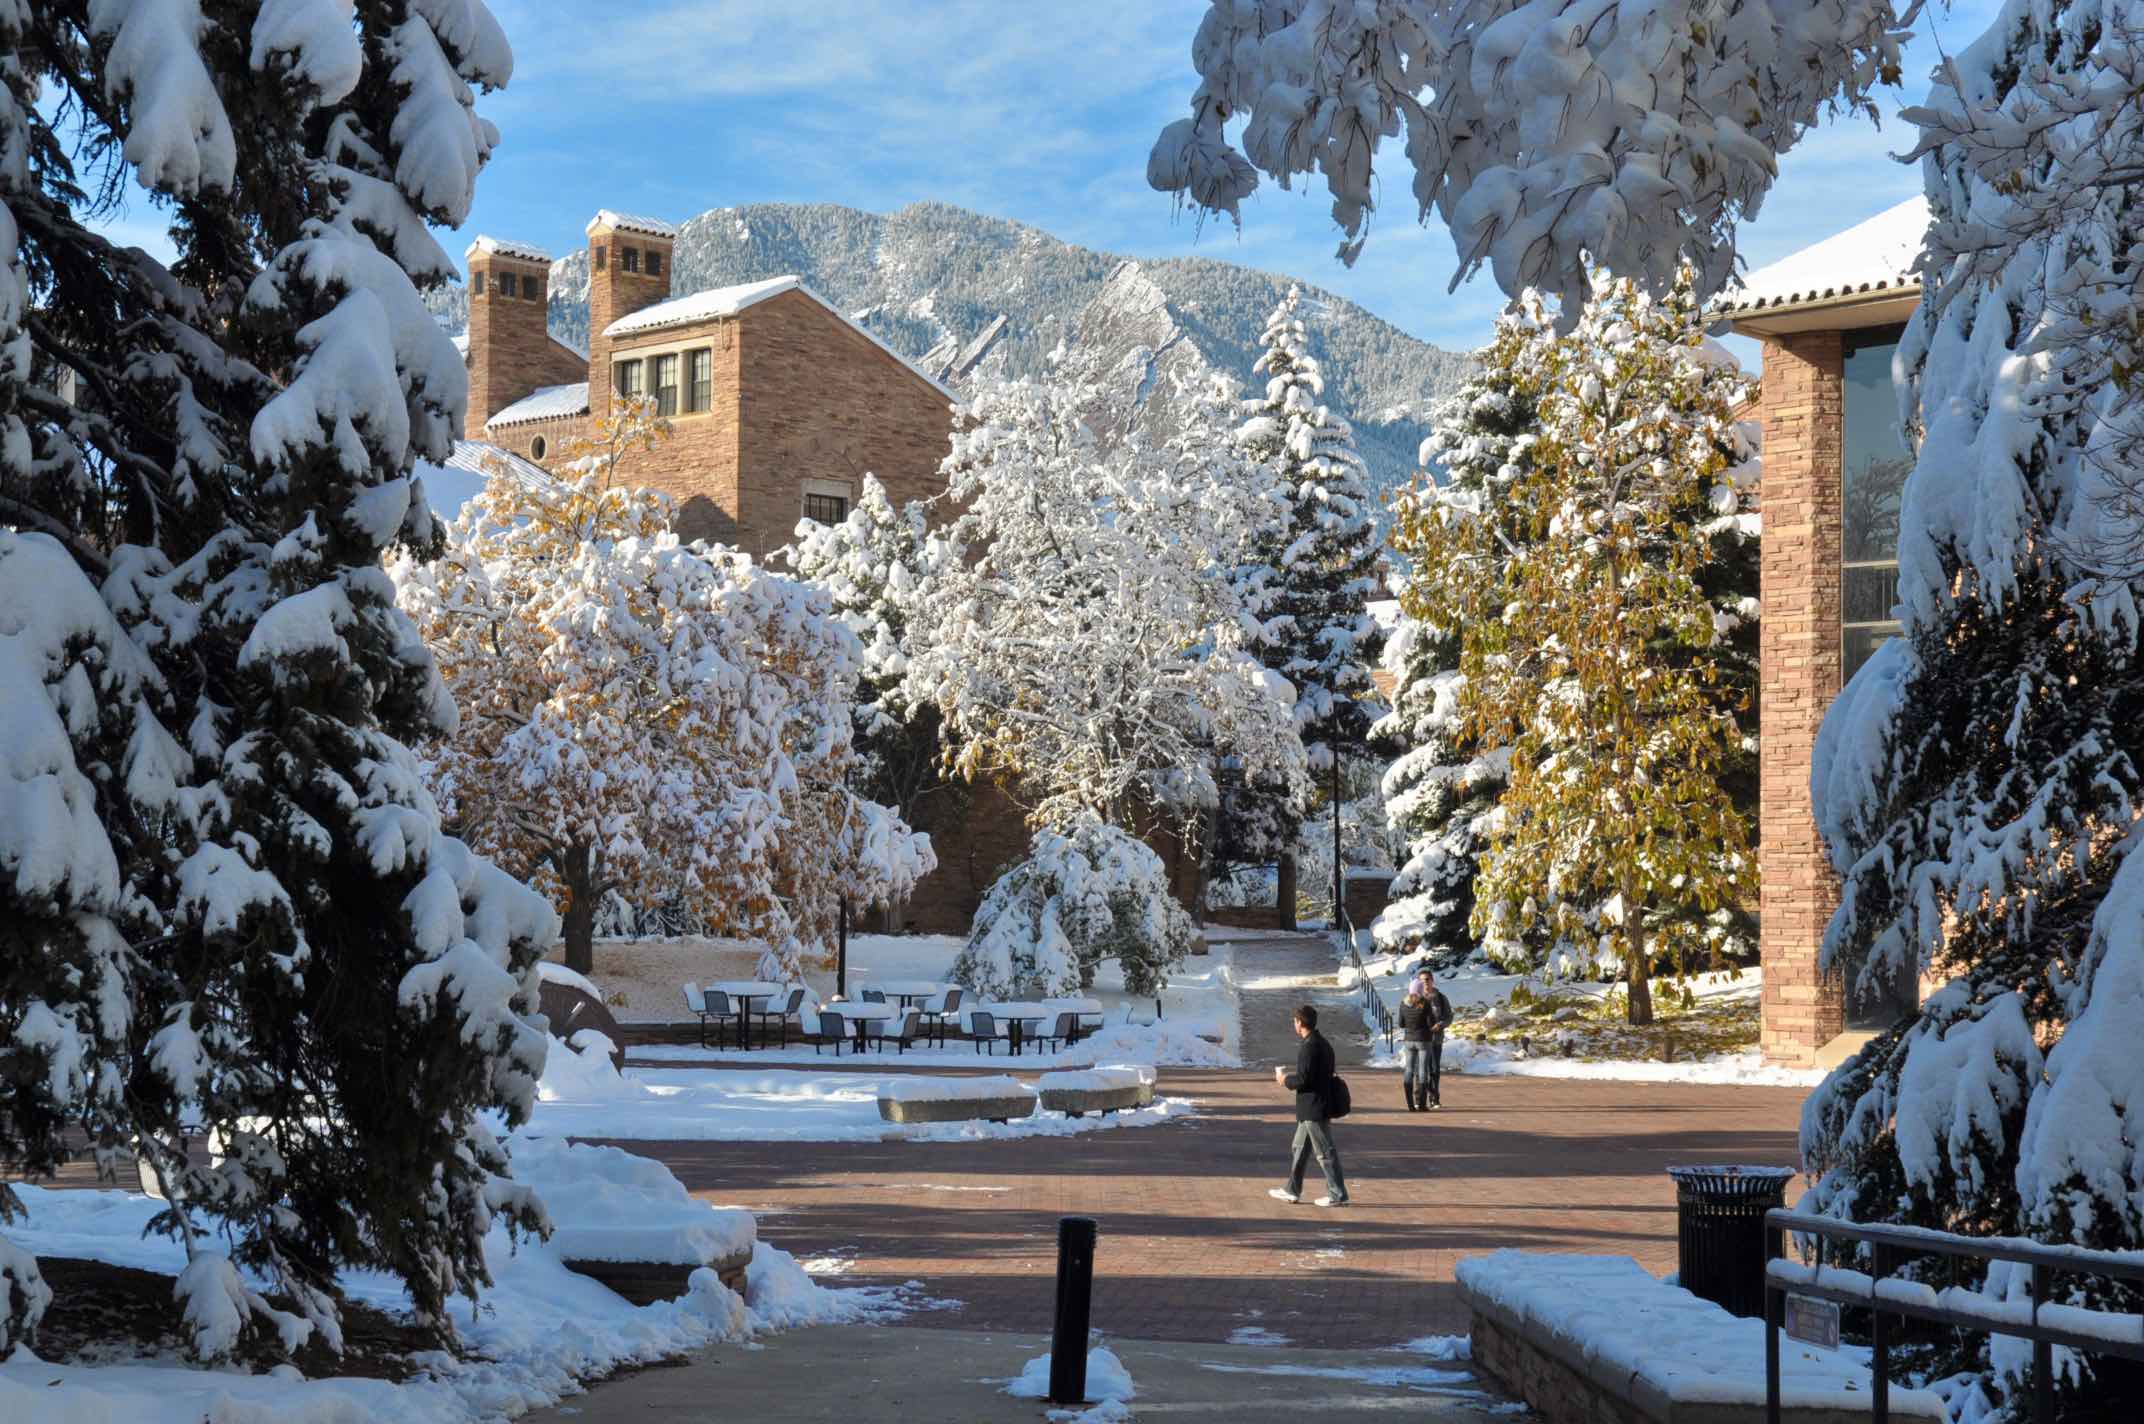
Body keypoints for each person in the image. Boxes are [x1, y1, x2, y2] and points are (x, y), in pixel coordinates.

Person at [1268, 1004, 1349, 1207]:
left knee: (1325, 1152)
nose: (1294, 1025)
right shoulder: (1322, 1043)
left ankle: (1337, 1194)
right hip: (1311, 1107)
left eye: (1294, 1021)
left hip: (1314, 1107)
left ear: (1300, 1023)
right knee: (1299, 1148)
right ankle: (1292, 1190)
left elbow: (1304, 1079)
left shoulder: (1309, 1047)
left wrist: (1284, 1079)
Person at [1396, 969, 1453, 1110]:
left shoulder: (1440, 997)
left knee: (1433, 1070)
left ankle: (1434, 1098)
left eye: (1427, 979)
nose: (1425, 982)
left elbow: (1448, 1016)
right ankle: (1419, 1100)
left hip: (1435, 1038)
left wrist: (1440, 1024)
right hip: (1422, 1039)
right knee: (1419, 1070)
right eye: (1422, 980)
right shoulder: (1415, 1000)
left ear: (1432, 980)